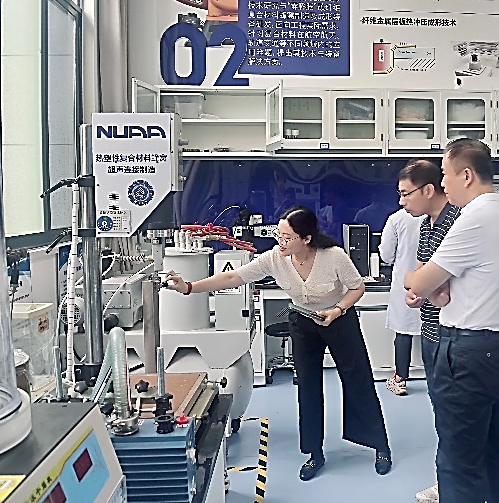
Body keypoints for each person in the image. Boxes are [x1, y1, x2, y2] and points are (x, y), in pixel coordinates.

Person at [164, 205, 392, 481]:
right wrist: (189, 287)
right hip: (303, 322)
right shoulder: (275, 258)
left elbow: (358, 287)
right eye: (278, 235)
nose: (280, 242)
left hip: (339, 320)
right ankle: (314, 453)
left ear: (306, 238)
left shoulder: (333, 256)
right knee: (307, 387)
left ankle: (380, 446)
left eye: (287, 237)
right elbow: (234, 276)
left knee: (358, 380)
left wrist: (338, 310)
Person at [405, 139, 499, 503]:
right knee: (495, 448)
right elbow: (438, 287)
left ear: (467, 175)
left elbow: (420, 283)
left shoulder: (474, 218)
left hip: (466, 352)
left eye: (445, 174)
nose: (443, 183)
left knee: (458, 460)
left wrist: (419, 281)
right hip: (495, 346)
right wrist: (434, 286)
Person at [397, 159, 460, 502]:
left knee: (453, 414)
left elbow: (441, 287)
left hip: (454, 331)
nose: (402, 201)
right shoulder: (426, 225)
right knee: (442, 409)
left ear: (429, 189)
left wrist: (417, 284)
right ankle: (449, 479)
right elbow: (423, 275)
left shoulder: (457, 221)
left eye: (406, 194)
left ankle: (452, 485)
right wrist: (417, 288)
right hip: (431, 329)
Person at [379, 207, 422, 396]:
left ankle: (400, 379)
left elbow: (386, 256)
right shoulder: (441, 215)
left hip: (405, 283)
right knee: (434, 332)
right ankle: (438, 377)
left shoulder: (397, 219)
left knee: (404, 332)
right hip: (436, 282)